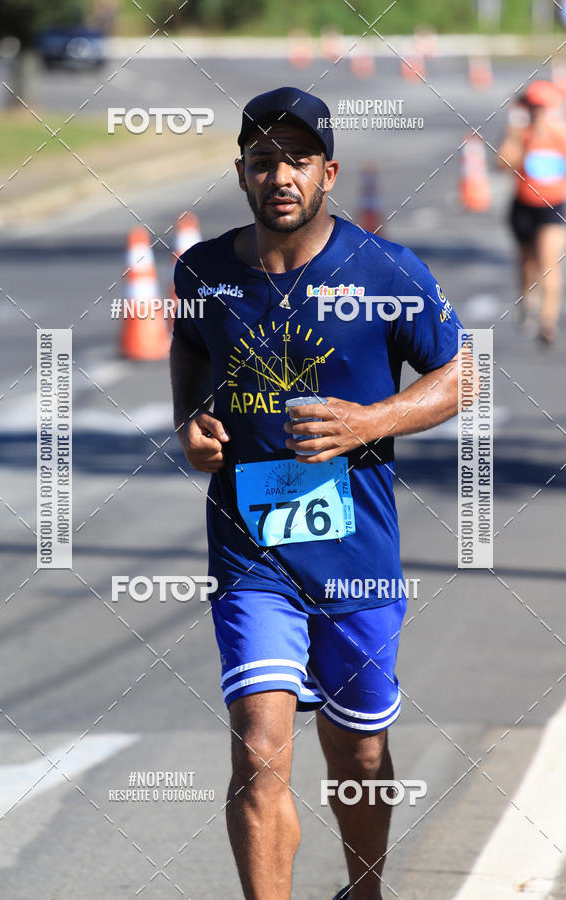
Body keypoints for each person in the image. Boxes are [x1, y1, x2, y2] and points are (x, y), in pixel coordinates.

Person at [170, 86, 465, 900]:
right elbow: (191, 348)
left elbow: (458, 375)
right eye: (263, 160)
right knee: (259, 746)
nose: (281, 175)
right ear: (241, 174)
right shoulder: (203, 270)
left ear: (328, 171)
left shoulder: (385, 272)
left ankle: (364, 887)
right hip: (251, 550)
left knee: (358, 751)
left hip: (357, 557)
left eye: (298, 159)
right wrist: (190, 419)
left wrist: (370, 422)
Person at [498, 79, 566, 345]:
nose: (537, 112)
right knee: (527, 261)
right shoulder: (519, 133)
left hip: (553, 208)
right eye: (533, 107)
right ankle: (526, 299)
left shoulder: (559, 132)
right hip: (524, 206)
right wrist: (519, 136)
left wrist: (550, 131)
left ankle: (548, 322)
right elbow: (502, 163)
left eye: (542, 107)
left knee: (548, 260)